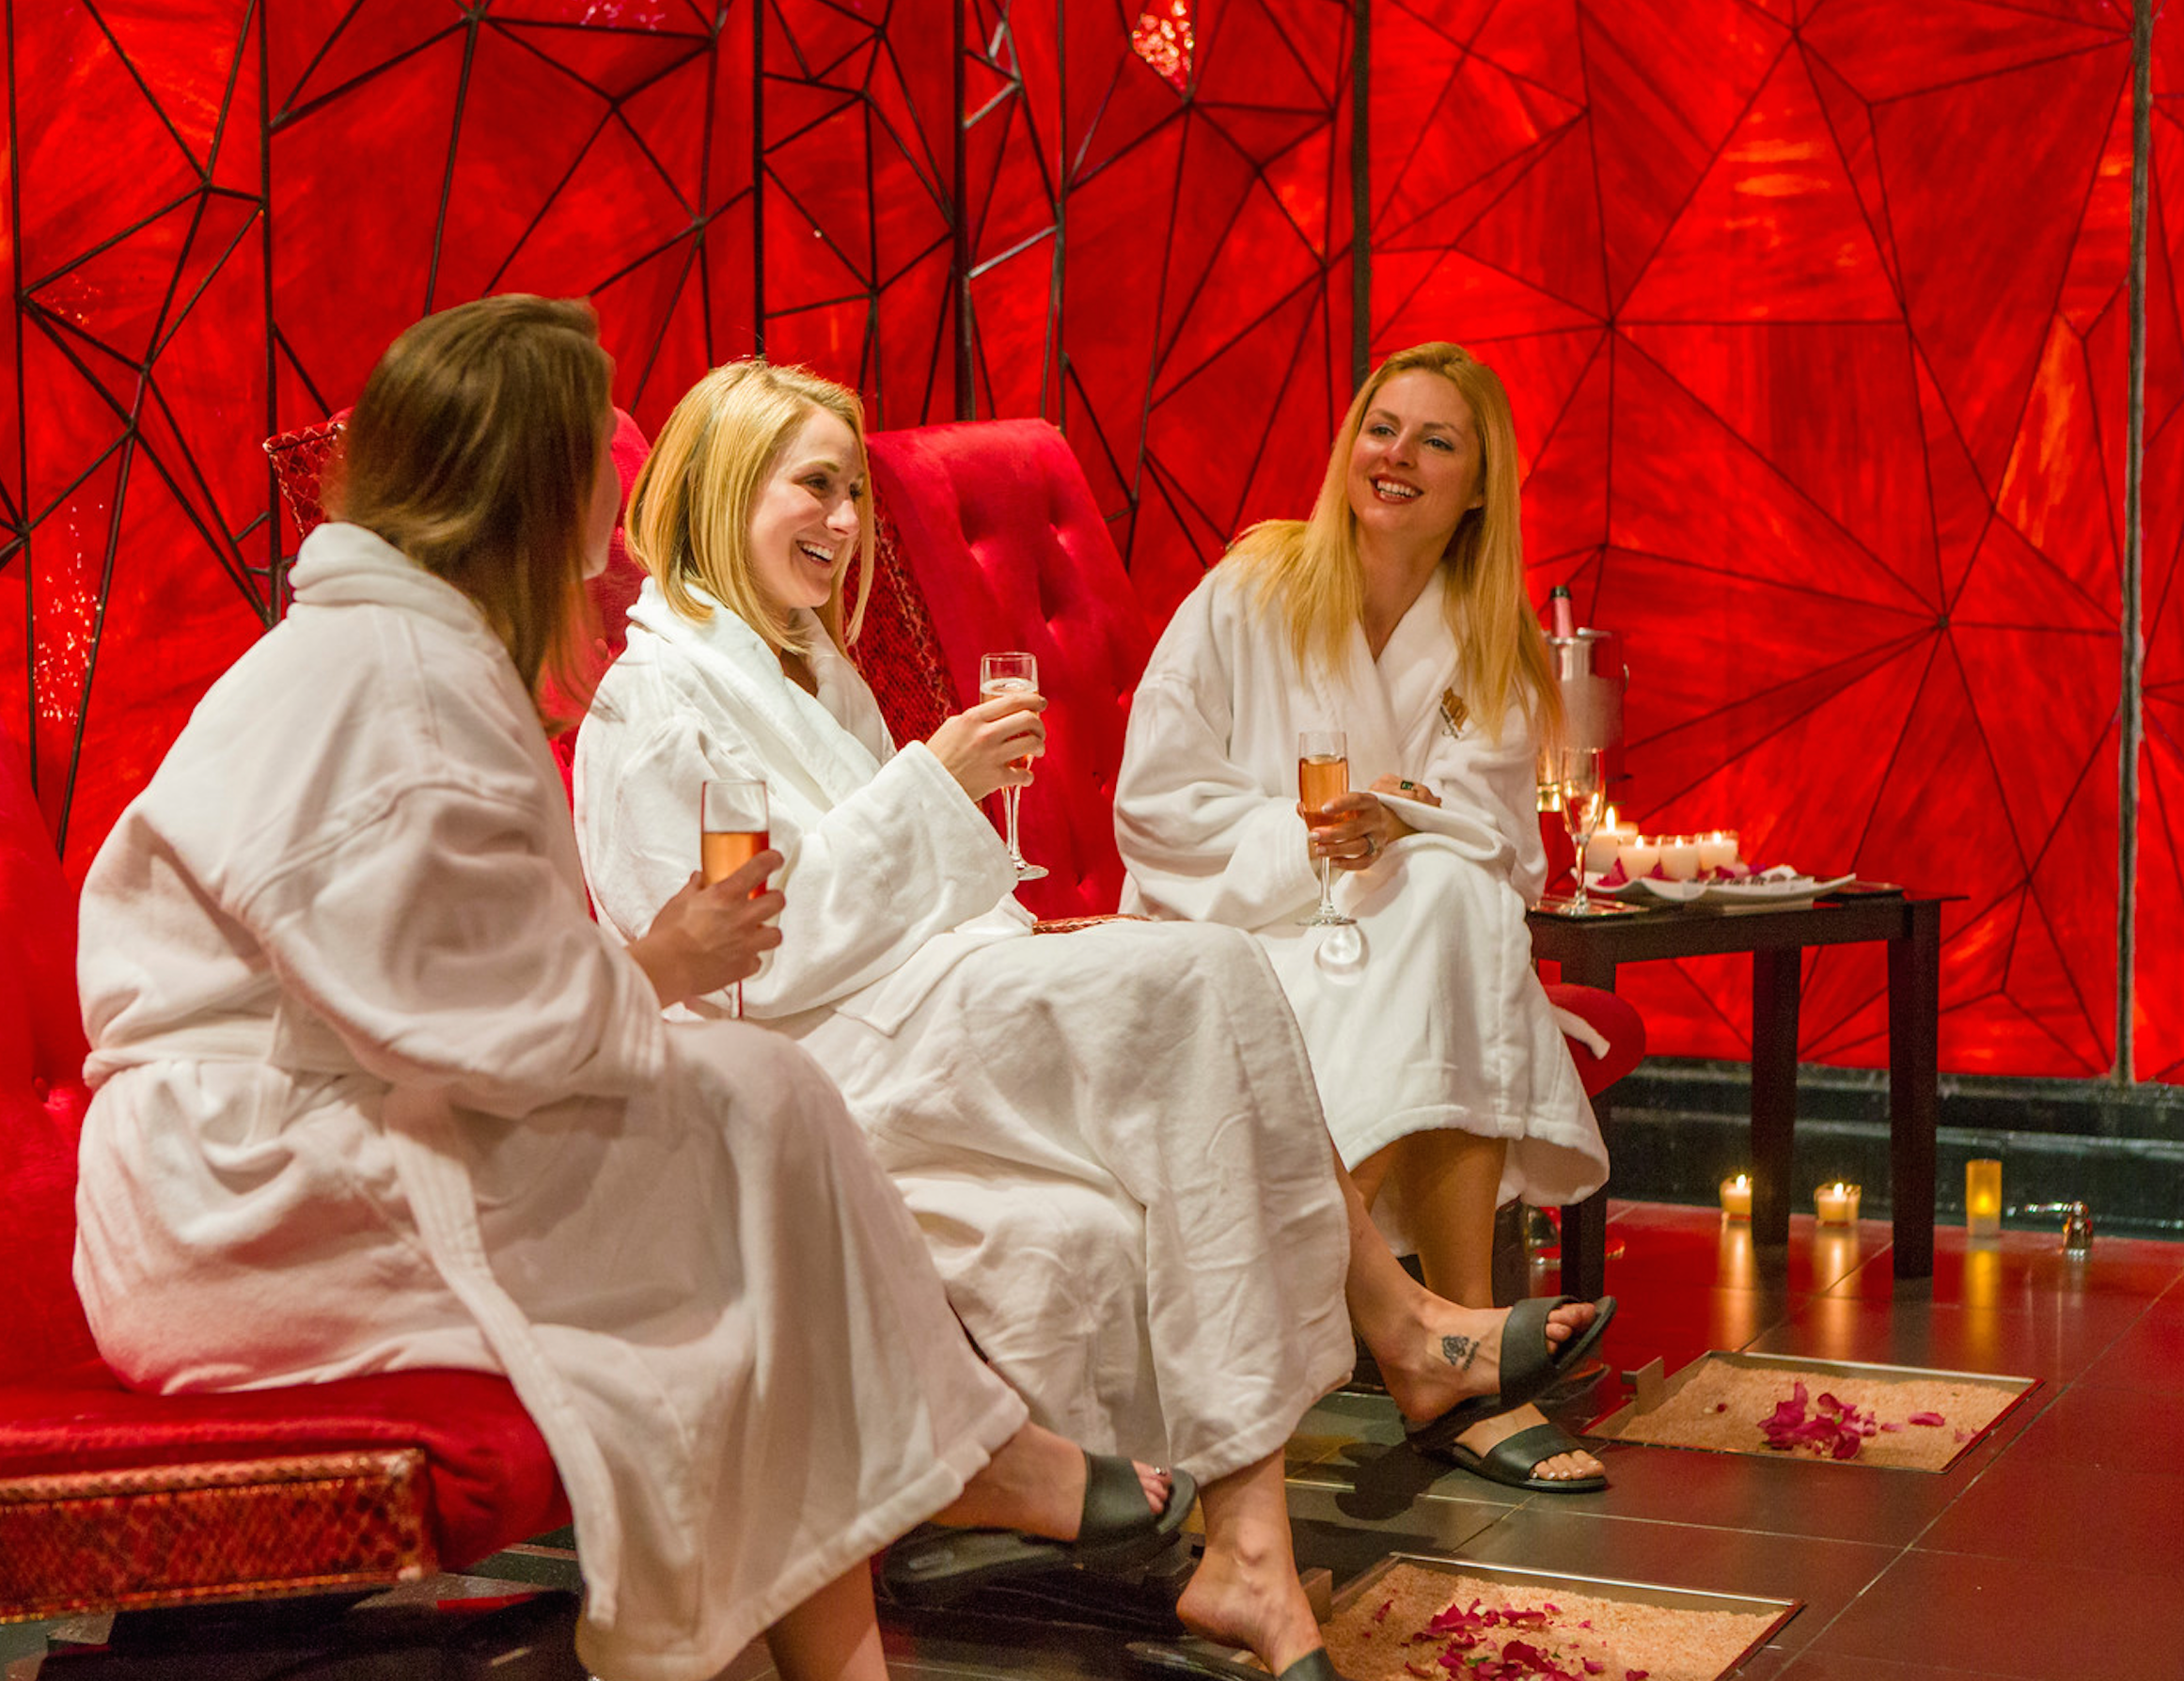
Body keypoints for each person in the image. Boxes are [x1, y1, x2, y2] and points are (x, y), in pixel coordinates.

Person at [70, 296, 1188, 1681]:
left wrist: (651, 974)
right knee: (752, 1126)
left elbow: (447, 985)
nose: (616, 516)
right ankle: (952, 1469)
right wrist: (657, 967)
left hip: (307, 1142)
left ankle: (884, 1579)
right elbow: (472, 1016)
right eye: (600, 473)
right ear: (529, 492)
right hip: (254, 1208)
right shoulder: (395, 684)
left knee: (755, 1107)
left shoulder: (403, 655)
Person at [573, 356, 1611, 1681]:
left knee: (1194, 1022)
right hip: (811, 1062)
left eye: (851, 494)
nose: (841, 523)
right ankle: (1396, 1332)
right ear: (722, 485)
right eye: (812, 488)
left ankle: (1251, 1538)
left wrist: (942, 824)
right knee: (1201, 976)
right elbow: (740, 969)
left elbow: (870, 891)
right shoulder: (650, 700)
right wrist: (930, 790)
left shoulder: (800, 672)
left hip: (913, 1010)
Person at [1113, 340, 1613, 1494]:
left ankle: (1396, 1331)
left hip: (1391, 927)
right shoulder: (1250, 589)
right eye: (1381, 429)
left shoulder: (1493, 645)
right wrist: (1308, 844)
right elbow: (1156, 799)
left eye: (1435, 441)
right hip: (1239, 925)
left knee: (1452, 904)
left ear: (1477, 484)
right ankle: (1450, 1355)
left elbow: (1495, 838)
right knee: (1454, 930)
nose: (1396, 457)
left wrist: (1397, 827)